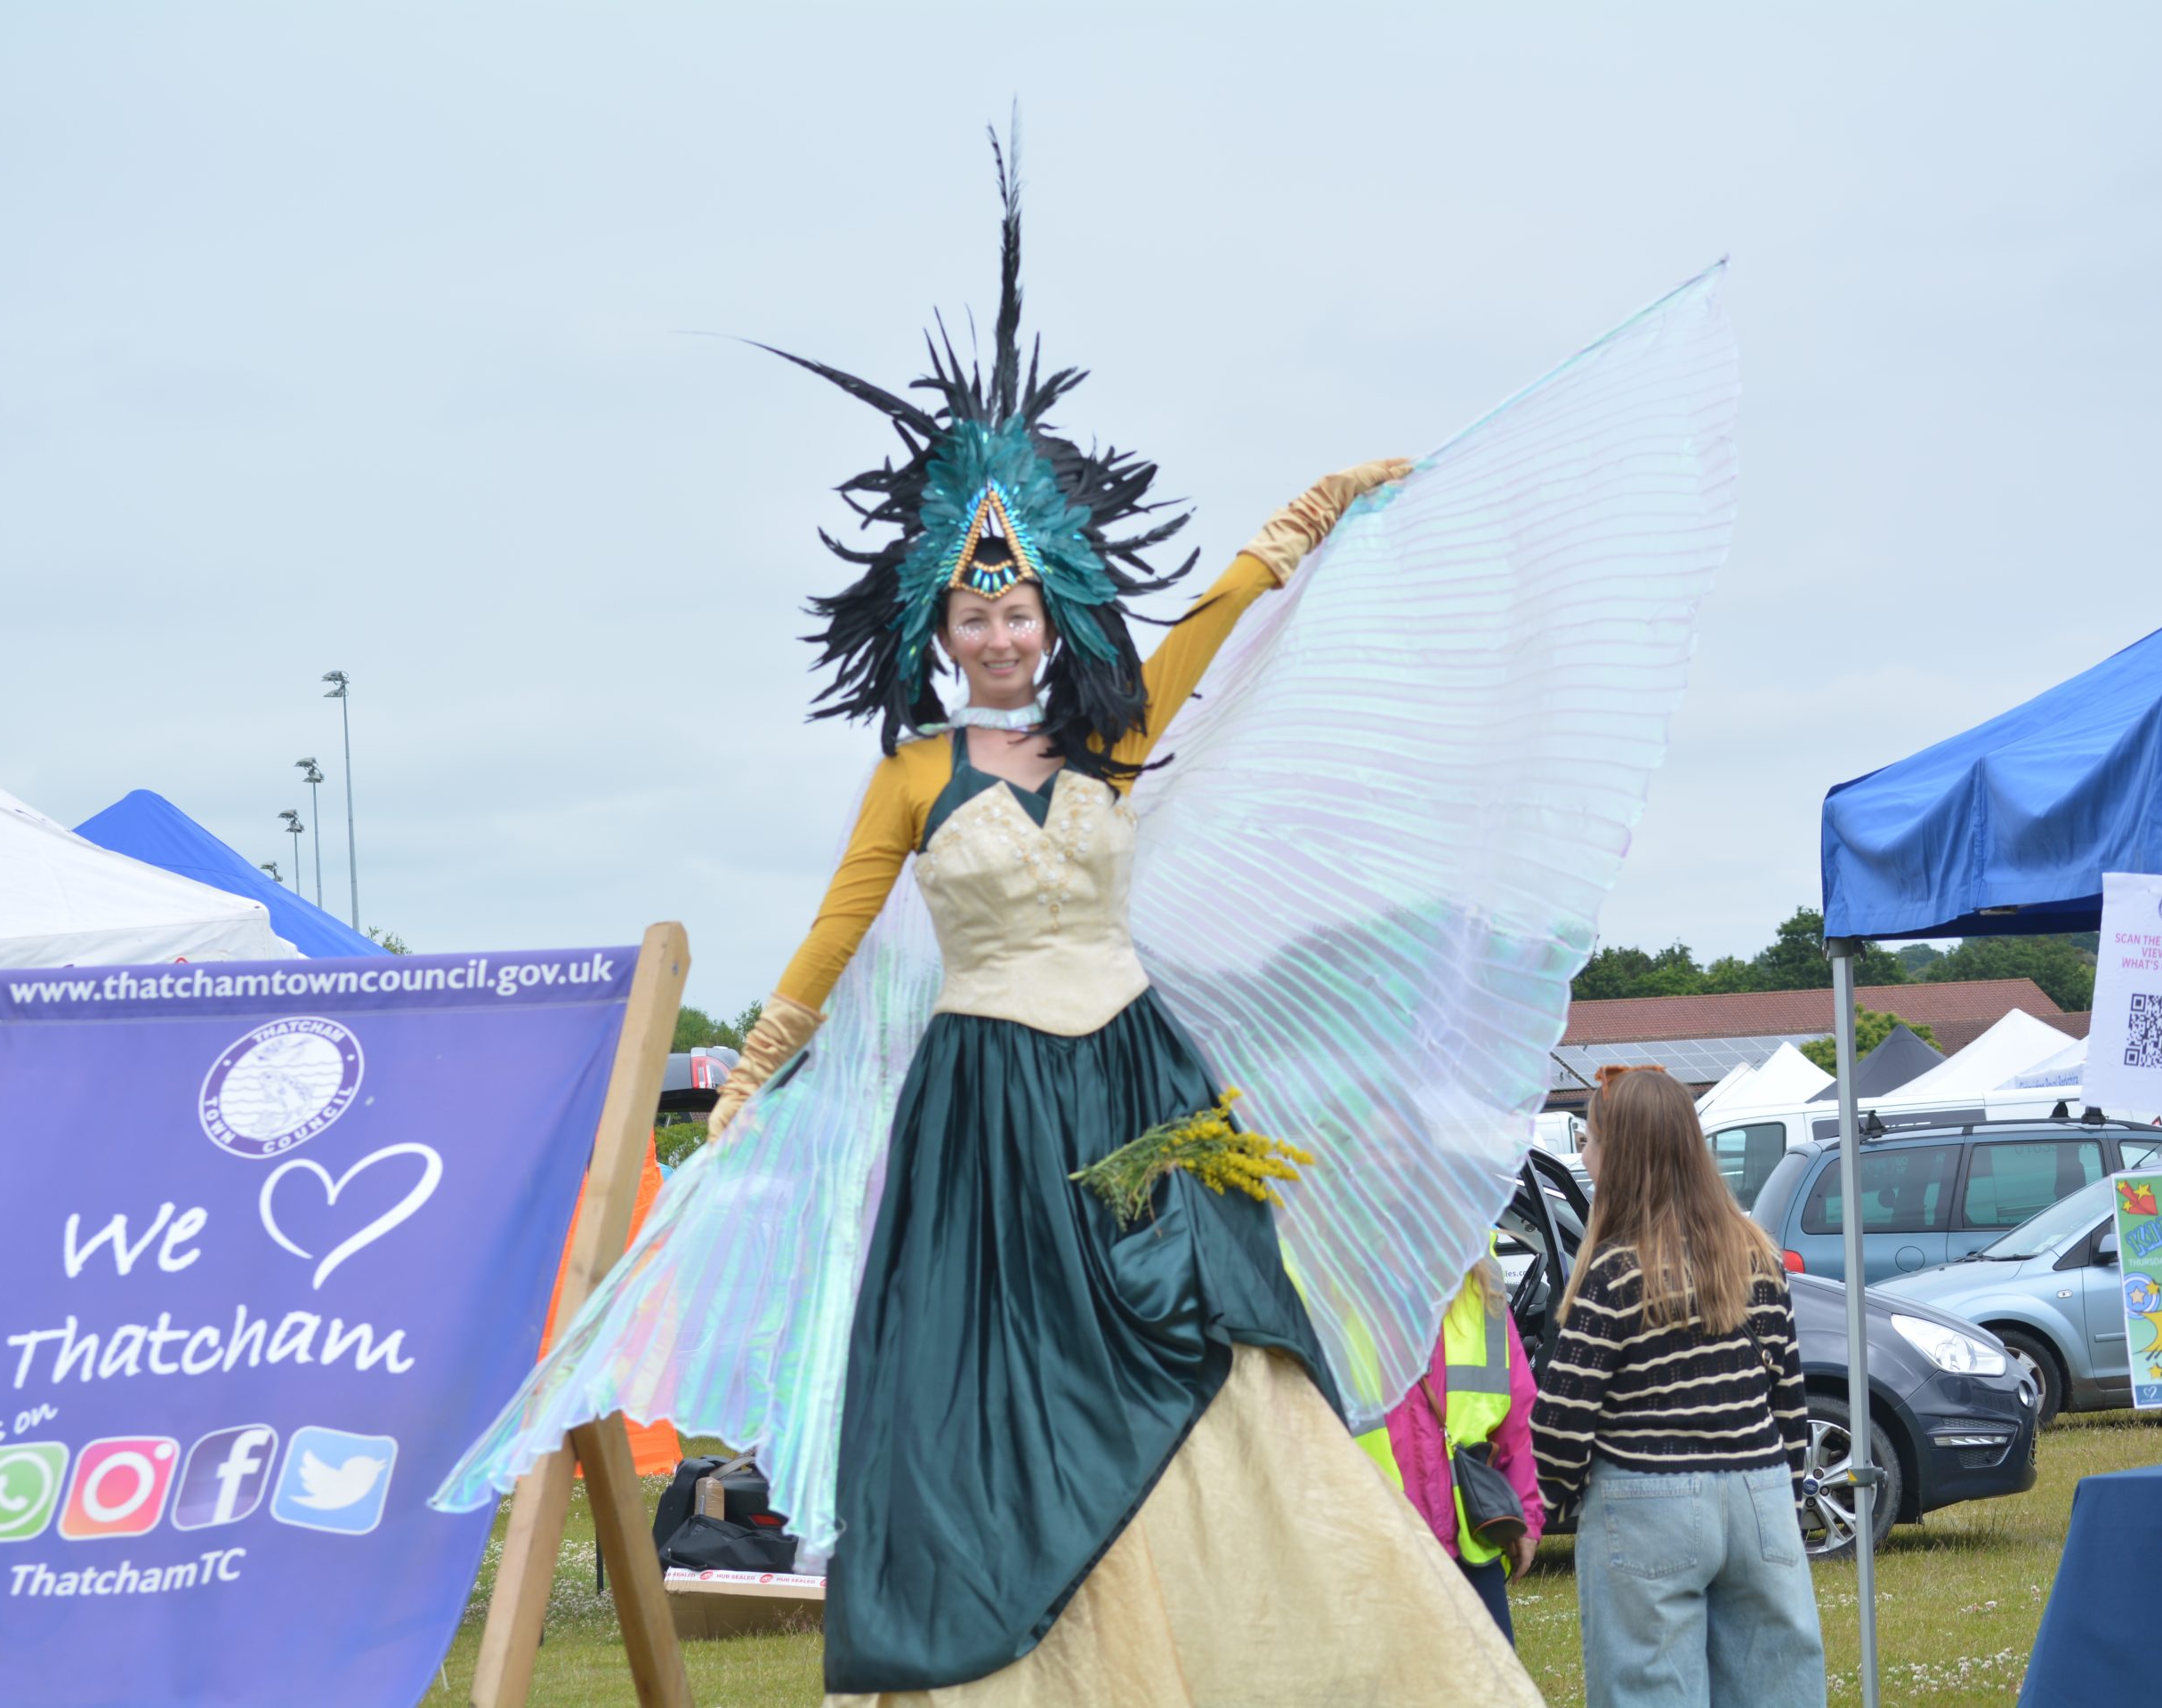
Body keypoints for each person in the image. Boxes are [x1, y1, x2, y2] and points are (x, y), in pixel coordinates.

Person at [438, 129, 1740, 1708]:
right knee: (991, 1392)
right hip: (986, 1113)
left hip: (1139, 1089)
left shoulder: (1105, 740)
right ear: (939, 628)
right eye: (973, 614)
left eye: (1018, 609)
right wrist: (754, 1080)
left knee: (1225, 1352)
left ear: (1051, 613)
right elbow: (833, 946)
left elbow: (1202, 632)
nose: (997, 633)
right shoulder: (912, 779)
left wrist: (1305, 518)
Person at [1532, 1067, 1823, 1708]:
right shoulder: (1758, 1255)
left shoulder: (1614, 1271)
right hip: (1760, 1495)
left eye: (1588, 1141)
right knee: (1777, 1691)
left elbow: (1562, 1420)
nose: (1583, 1155)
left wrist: (1546, 1504)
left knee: (1652, 1693)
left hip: (1646, 1502)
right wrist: (1787, 1494)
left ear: (1621, 1154)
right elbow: (1789, 1401)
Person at [1358, 1256, 1545, 1649]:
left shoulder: (1481, 1282)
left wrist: (1526, 1515)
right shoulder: (1335, 1280)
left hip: (1468, 1544)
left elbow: (1518, 1415)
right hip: (1376, 1546)